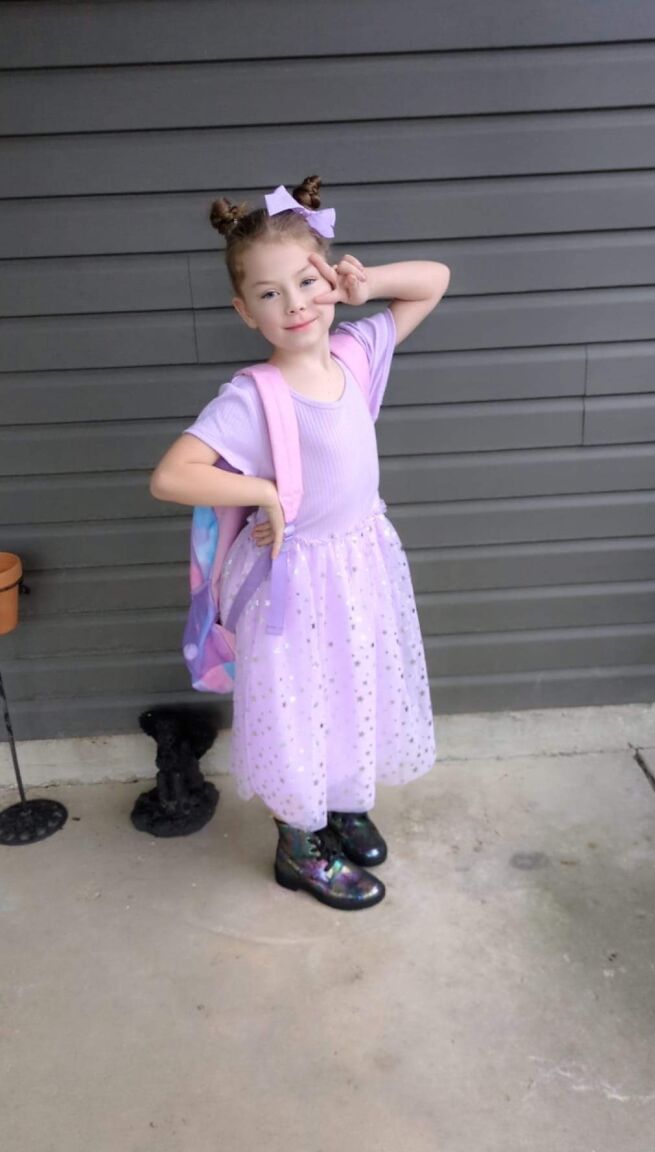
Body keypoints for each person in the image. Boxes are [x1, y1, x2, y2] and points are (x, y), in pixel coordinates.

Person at [150, 175, 450, 912]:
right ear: (244, 311)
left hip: (360, 567)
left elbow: (433, 282)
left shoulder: (357, 351)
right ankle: (299, 843)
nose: (295, 305)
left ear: (330, 277)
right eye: (269, 294)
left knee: (351, 695)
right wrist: (261, 492)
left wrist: (364, 282)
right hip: (292, 587)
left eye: (307, 281)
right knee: (297, 707)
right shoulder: (253, 397)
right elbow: (171, 476)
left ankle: (340, 804)